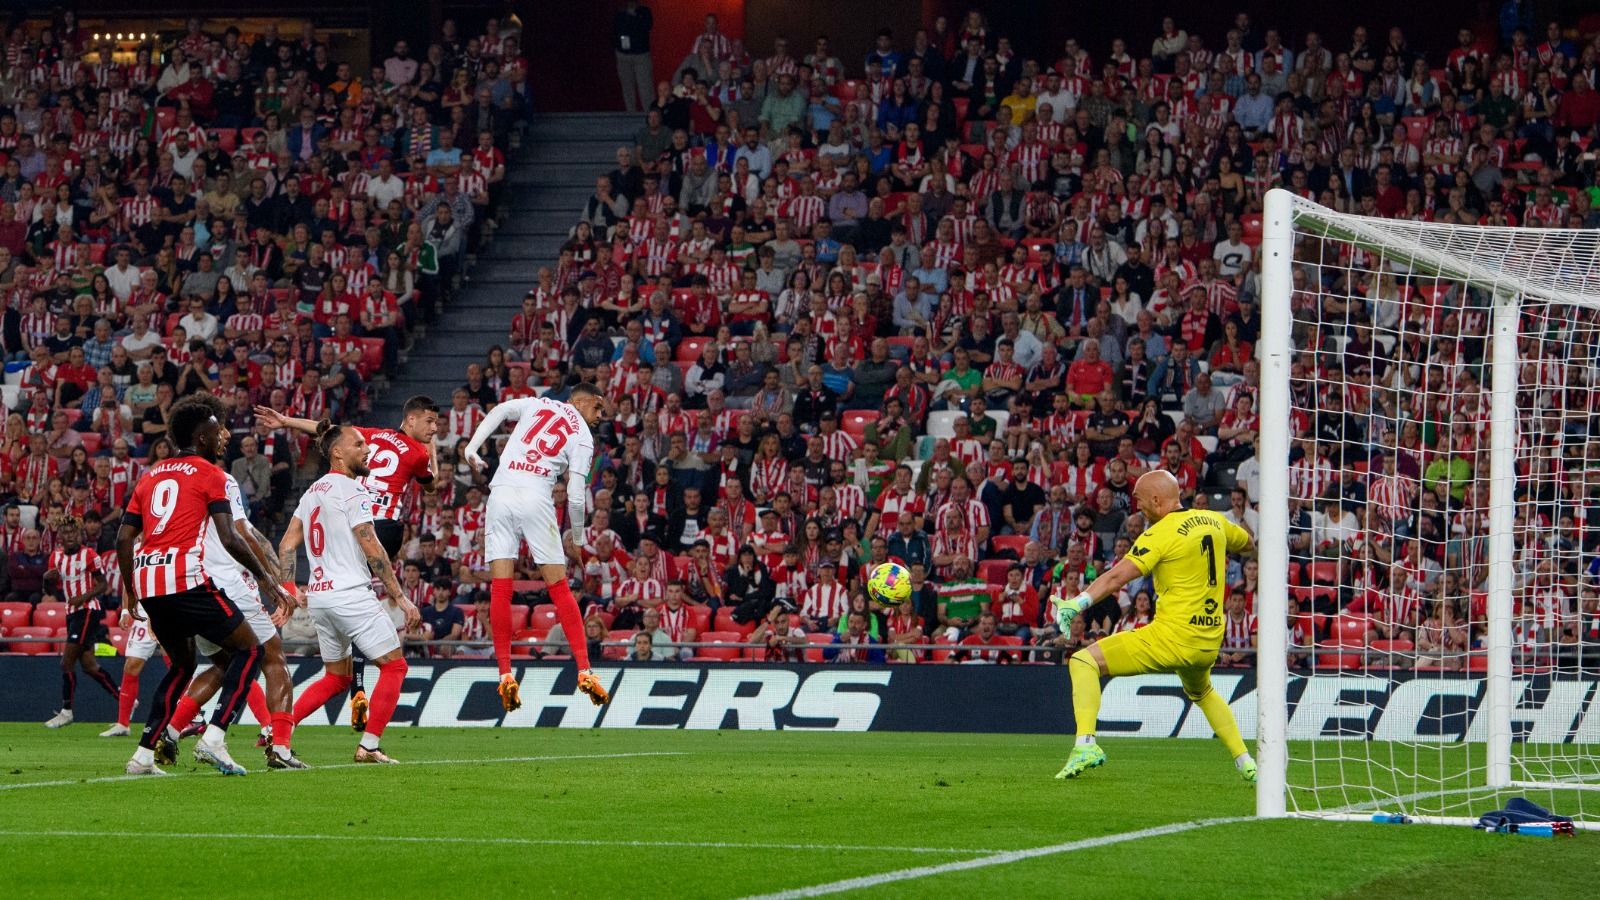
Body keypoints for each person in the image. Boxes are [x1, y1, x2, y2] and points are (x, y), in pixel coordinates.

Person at [118, 395, 290, 777]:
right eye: (217, 431)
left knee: (182, 667)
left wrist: (130, 591)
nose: (223, 437)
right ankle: (214, 738)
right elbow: (231, 538)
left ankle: (143, 756)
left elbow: (124, 537)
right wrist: (269, 582)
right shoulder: (211, 475)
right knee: (250, 651)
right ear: (200, 437)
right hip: (188, 579)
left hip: (150, 582)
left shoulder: (150, 476)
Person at [1050, 469, 1257, 782]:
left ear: (1158, 500)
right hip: (1209, 639)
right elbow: (1247, 543)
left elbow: (1118, 576)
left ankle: (1086, 744)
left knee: (1083, 661)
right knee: (1202, 691)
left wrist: (1076, 603)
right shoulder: (1213, 520)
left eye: (1141, 500)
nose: (1138, 507)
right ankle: (1246, 762)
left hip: (1172, 637)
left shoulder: (1160, 534)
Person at [254, 395, 440, 727]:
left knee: (343, 597)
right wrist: (433, 450)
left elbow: (326, 431)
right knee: (366, 604)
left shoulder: (365, 438)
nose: (434, 428)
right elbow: (431, 486)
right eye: (429, 422)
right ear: (410, 420)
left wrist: (286, 421)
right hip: (378, 524)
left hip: (343, 531)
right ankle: (359, 698)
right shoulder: (416, 453)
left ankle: (351, 690)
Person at [277, 422, 421, 764]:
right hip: (351, 594)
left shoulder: (313, 492)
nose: (367, 448)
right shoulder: (353, 490)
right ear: (337, 453)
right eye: (358, 444)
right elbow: (371, 546)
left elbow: (285, 545)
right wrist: (400, 597)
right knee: (395, 667)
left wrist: (287, 589)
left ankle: (276, 732)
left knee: (336, 677)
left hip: (321, 597)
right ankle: (369, 745)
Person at [463, 383, 610, 710]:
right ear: (581, 400)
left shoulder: (537, 403)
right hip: (536, 495)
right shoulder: (583, 436)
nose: (600, 416)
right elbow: (574, 495)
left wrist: (471, 448)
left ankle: (504, 674)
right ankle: (585, 670)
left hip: (500, 492)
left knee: (501, 589)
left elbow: (500, 410)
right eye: (598, 408)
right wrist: (577, 539)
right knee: (559, 588)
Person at [156, 465, 305, 768]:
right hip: (226, 582)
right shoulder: (219, 478)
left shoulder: (165, 479)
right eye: (219, 432)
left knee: (225, 665)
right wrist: (276, 587)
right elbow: (244, 533)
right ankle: (280, 748)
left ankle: (171, 731)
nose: (224, 438)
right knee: (273, 657)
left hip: (189, 584)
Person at [41, 517, 117, 729]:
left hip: (87, 611)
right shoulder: (55, 557)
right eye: (66, 532)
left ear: (80, 534)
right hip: (71, 613)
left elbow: (102, 585)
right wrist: (46, 579)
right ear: (60, 537)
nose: (71, 536)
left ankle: (66, 712)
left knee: (66, 662)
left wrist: (83, 597)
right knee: (90, 666)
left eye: (74, 532)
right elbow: (50, 590)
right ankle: (126, 700)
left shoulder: (89, 555)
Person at [613, 0, 654, 113]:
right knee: (627, 88)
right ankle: (630, 114)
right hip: (623, 55)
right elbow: (615, 31)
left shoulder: (644, 12)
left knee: (645, 87)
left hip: (641, 55)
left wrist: (633, 16)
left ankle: (650, 115)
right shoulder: (620, 13)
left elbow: (647, 27)